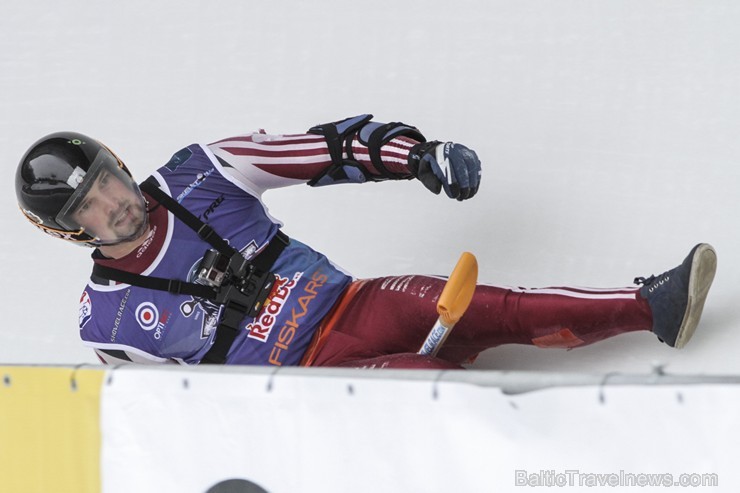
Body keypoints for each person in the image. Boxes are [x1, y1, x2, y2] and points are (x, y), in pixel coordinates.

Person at [15, 114, 717, 369]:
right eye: (90, 207)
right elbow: (168, 415)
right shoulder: (103, 322)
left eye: (107, 178)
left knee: (482, 306)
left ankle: (650, 306)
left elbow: (318, 150)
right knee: (430, 391)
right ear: (69, 230)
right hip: (314, 387)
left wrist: (417, 155)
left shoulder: (201, 170)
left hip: (355, 304)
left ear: (114, 159)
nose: (114, 202)